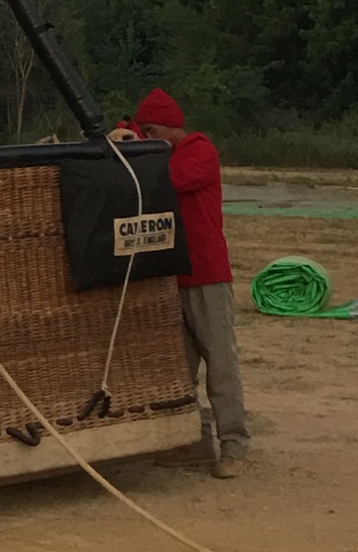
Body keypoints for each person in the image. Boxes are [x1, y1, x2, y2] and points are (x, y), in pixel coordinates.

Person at [134, 87, 248, 478]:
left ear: (169, 128)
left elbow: (165, 181)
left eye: (151, 132)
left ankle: (233, 444)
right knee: (179, 369)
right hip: (172, 275)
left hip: (207, 274)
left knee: (221, 364)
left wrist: (137, 152)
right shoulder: (163, 150)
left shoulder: (200, 153)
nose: (146, 140)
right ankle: (194, 440)